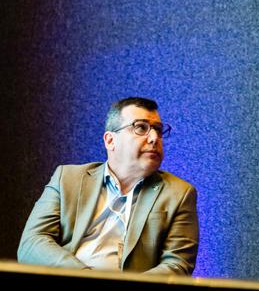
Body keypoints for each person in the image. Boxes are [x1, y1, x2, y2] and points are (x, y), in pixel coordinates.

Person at [17, 97, 199, 274]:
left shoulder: (179, 193)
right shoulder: (67, 178)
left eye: (158, 130)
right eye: (141, 127)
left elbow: (177, 265)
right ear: (110, 140)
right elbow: (32, 243)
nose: (154, 138)